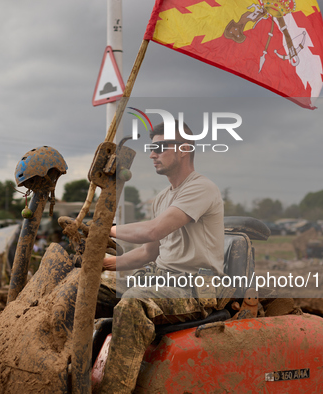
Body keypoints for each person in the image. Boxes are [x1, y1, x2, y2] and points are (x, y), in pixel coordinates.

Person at [96, 121, 227, 393]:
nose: (152, 154)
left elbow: (153, 230)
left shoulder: (201, 188)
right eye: (151, 148)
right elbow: (148, 252)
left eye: (159, 147)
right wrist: (103, 265)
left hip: (195, 287)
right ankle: (70, 371)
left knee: (134, 303)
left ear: (184, 150)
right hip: (161, 280)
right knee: (85, 289)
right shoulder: (162, 198)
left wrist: (104, 229)